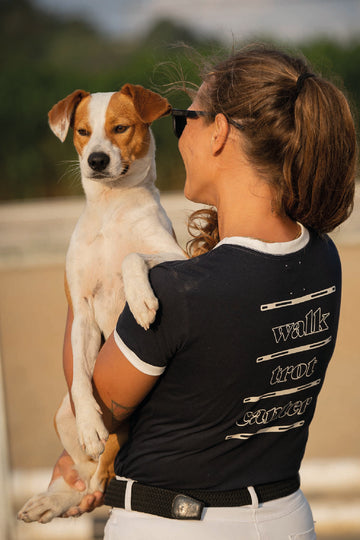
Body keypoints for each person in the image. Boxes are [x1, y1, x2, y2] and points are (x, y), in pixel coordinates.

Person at [51, 44, 357, 539]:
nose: (177, 137)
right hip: (286, 516)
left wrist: (81, 277)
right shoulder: (322, 257)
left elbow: (100, 402)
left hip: (176, 524)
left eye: (184, 121)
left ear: (218, 132)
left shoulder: (176, 291)